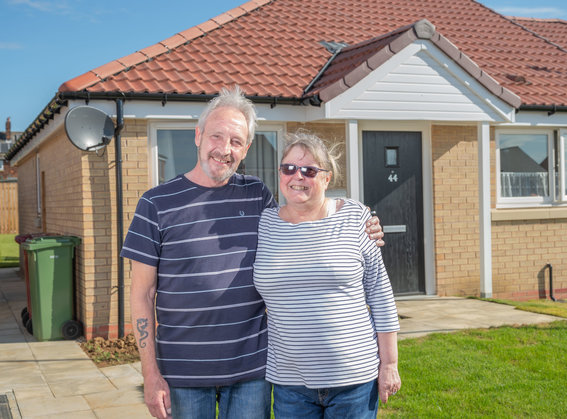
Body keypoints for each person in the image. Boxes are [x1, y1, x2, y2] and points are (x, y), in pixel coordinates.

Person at [121, 86, 384, 419]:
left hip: (252, 371)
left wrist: (360, 221)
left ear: (245, 149)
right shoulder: (155, 203)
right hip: (183, 373)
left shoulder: (257, 195)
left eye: (236, 142)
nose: (224, 149)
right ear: (198, 136)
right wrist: (149, 373)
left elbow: (301, 226)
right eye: (217, 136)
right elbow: (141, 294)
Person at [253, 131, 401, 419]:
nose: (298, 176)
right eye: (289, 168)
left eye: (309, 170)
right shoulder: (265, 223)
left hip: (354, 380)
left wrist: (389, 364)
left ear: (327, 178)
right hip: (289, 381)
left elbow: (381, 295)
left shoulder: (356, 217)